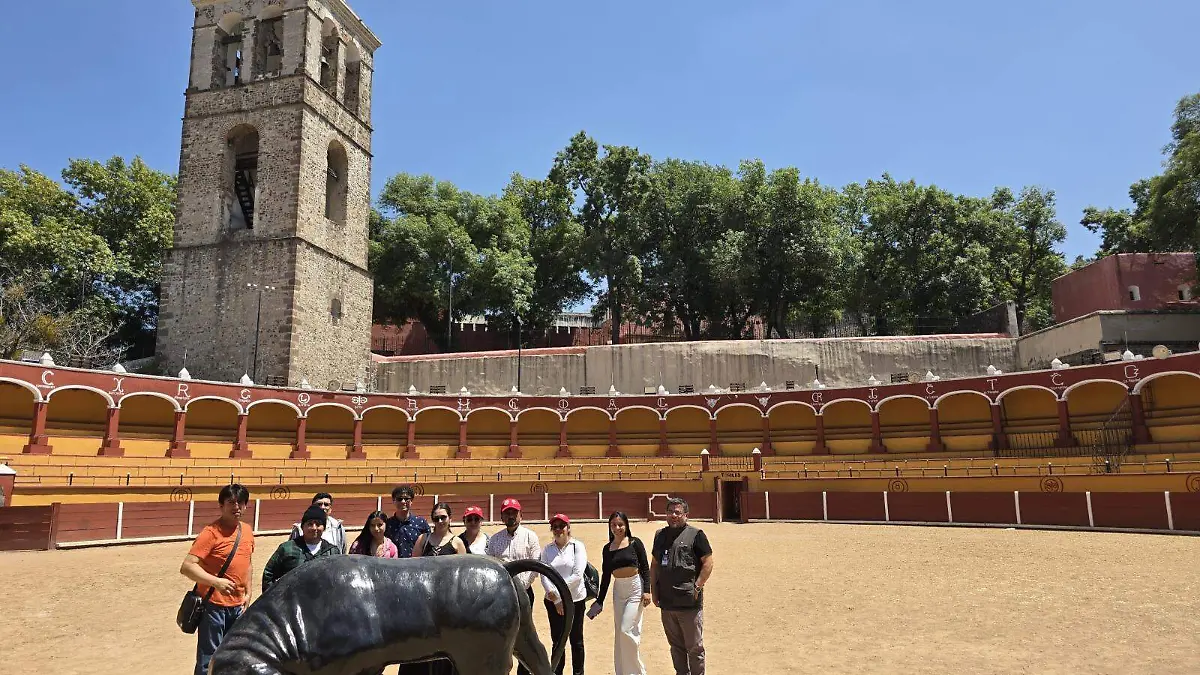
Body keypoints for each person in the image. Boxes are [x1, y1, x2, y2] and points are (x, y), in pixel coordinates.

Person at [180, 483, 255, 675]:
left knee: (232, 656)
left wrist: (248, 592)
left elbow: (247, 564)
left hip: (237, 606)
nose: (236, 507)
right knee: (208, 658)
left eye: (241, 502)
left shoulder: (246, 530)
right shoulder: (211, 533)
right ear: (221, 506)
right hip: (213, 606)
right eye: (231, 502)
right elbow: (187, 567)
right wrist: (216, 582)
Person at [651, 497, 714, 675]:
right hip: (667, 602)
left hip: (689, 602)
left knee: (694, 647)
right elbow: (654, 565)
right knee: (676, 646)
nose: (673, 516)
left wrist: (697, 586)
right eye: (670, 512)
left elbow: (708, 562)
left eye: (677, 512)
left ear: (686, 515)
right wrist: (654, 591)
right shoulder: (660, 535)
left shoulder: (696, 535)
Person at [587, 511, 650, 675]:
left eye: (620, 524)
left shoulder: (635, 543)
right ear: (610, 527)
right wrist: (600, 601)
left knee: (626, 630)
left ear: (626, 525)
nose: (617, 528)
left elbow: (644, 567)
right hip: (618, 590)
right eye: (614, 525)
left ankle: (637, 672)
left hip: (635, 588)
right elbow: (606, 576)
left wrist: (647, 591)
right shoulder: (607, 549)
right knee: (620, 634)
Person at [485, 497, 541, 675]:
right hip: (500, 597)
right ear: (502, 516)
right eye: (507, 513)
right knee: (501, 634)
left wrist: (520, 587)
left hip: (524, 592)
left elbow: (535, 565)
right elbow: (490, 566)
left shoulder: (530, 536)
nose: (511, 516)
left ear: (521, 515)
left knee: (524, 635)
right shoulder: (494, 540)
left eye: (514, 512)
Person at [540, 514, 587, 675]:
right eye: (555, 527)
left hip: (575, 600)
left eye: (562, 526)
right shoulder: (547, 549)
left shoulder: (577, 546)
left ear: (568, 528)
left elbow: (578, 574)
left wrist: (560, 596)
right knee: (557, 642)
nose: (558, 529)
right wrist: (555, 597)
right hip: (553, 602)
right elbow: (544, 574)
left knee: (576, 640)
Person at [262, 504, 340, 592]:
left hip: (322, 602)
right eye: (310, 524)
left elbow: (338, 579)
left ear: (324, 528)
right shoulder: (287, 549)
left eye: (318, 524)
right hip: (291, 602)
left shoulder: (333, 552)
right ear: (303, 527)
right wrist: (274, 599)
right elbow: (269, 574)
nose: (314, 528)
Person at [385, 485, 430, 558]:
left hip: (416, 566)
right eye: (399, 499)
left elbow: (429, 546)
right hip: (394, 567)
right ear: (394, 501)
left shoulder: (421, 523)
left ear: (411, 501)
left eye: (406, 499)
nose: (403, 502)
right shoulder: (388, 524)